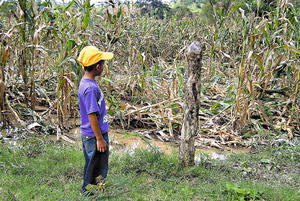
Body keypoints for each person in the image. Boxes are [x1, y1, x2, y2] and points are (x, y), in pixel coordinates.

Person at [77, 46, 113, 196]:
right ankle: (89, 193)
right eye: (103, 64)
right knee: (97, 166)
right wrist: (99, 138)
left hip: (90, 135)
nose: (104, 67)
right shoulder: (90, 88)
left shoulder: (86, 83)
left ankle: (92, 191)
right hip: (94, 136)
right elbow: (92, 115)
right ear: (98, 67)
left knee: (92, 164)